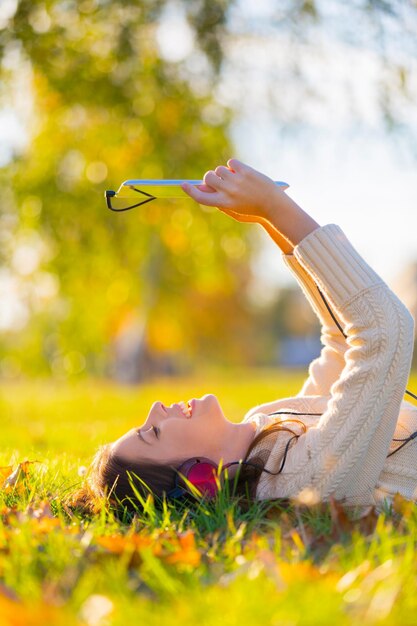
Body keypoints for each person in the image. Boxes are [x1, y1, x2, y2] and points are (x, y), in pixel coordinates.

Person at [70, 159, 416, 515]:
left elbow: (343, 345)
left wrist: (266, 220)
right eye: (154, 432)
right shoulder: (299, 482)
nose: (155, 410)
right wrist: (277, 208)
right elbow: (386, 331)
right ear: (199, 479)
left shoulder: (264, 433)